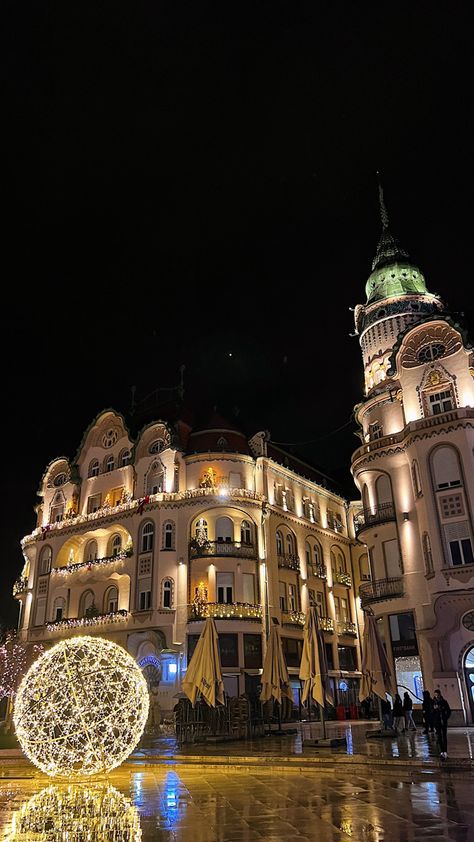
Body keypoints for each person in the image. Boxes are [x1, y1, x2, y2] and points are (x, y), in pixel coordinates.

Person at [432, 688, 451, 759]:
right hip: (437, 722)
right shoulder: (433, 702)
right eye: (435, 695)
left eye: (437, 695)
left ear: (440, 694)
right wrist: (434, 709)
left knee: (444, 736)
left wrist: (445, 717)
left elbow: (448, 711)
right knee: (439, 736)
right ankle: (441, 751)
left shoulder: (444, 702)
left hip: (443, 721)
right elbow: (432, 713)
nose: (436, 696)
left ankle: (445, 751)